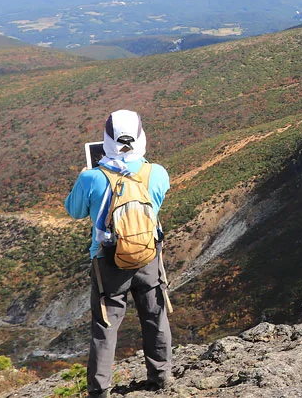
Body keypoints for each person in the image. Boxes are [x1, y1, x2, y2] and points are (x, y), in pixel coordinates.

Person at [65, 109, 173, 398]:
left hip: (108, 259)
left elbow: (73, 211)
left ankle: (100, 391)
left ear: (106, 140)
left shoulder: (92, 177)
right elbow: (157, 203)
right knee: (154, 314)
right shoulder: (157, 172)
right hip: (148, 254)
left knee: (105, 326)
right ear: (141, 138)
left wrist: (85, 177)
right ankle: (160, 376)